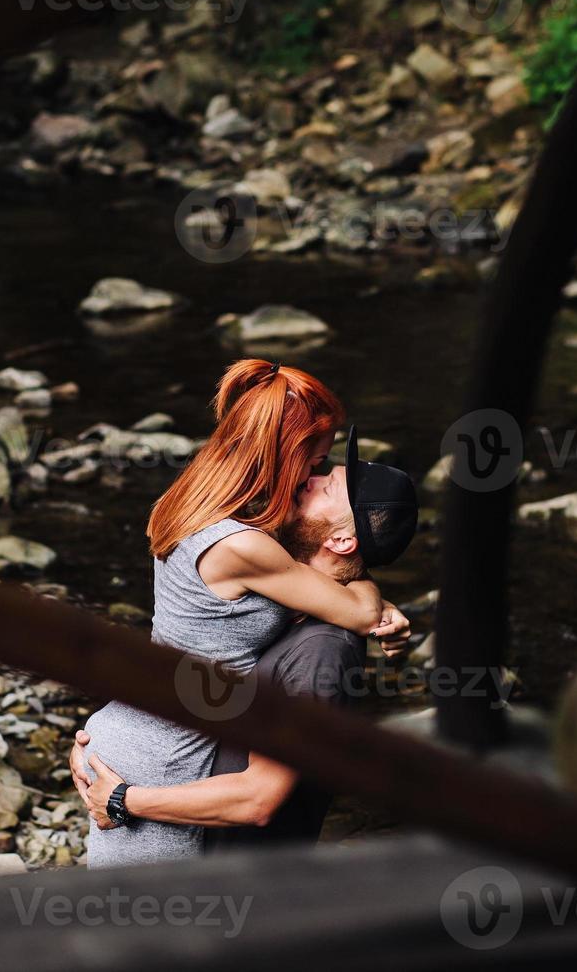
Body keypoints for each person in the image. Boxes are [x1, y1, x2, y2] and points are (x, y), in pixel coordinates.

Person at [77, 361, 412, 868]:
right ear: (284, 455)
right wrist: (378, 606)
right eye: (317, 462)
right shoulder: (246, 545)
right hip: (164, 755)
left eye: (324, 474)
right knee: (144, 922)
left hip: (135, 730)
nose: (313, 477)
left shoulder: (204, 496)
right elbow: (357, 609)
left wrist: (370, 593)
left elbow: (333, 578)